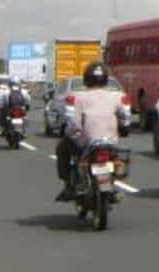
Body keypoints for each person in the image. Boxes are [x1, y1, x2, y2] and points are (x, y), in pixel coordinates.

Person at [54, 62, 130, 201]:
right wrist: (124, 127)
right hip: (111, 142)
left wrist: (67, 133)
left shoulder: (81, 98)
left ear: (86, 79)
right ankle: (111, 185)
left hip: (87, 143)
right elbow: (124, 117)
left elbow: (75, 124)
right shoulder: (115, 97)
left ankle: (68, 187)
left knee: (61, 148)